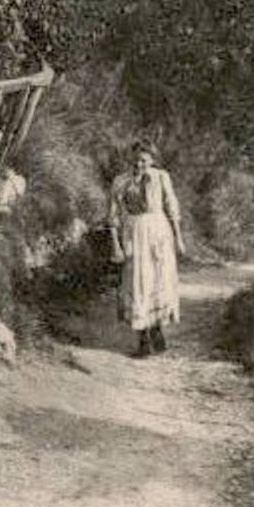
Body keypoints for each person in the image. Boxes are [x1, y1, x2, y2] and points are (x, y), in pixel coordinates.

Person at [107, 139, 186, 358]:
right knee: (136, 282)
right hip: (133, 233)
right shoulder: (121, 181)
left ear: (152, 160)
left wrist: (179, 238)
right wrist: (116, 245)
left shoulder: (161, 177)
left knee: (159, 279)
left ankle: (157, 330)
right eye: (136, 160)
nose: (139, 164)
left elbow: (172, 207)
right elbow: (112, 216)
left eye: (144, 160)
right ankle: (143, 340)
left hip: (158, 232)